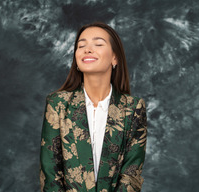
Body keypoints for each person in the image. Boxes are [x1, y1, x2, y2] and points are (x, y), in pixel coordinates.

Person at [40, 22, 147, 192]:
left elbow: (131, 175)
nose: (87, 49)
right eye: (81, 45)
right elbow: (50, 172)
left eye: (98, 44)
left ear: (115, 57)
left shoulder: (133, 108)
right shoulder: (58, 104)